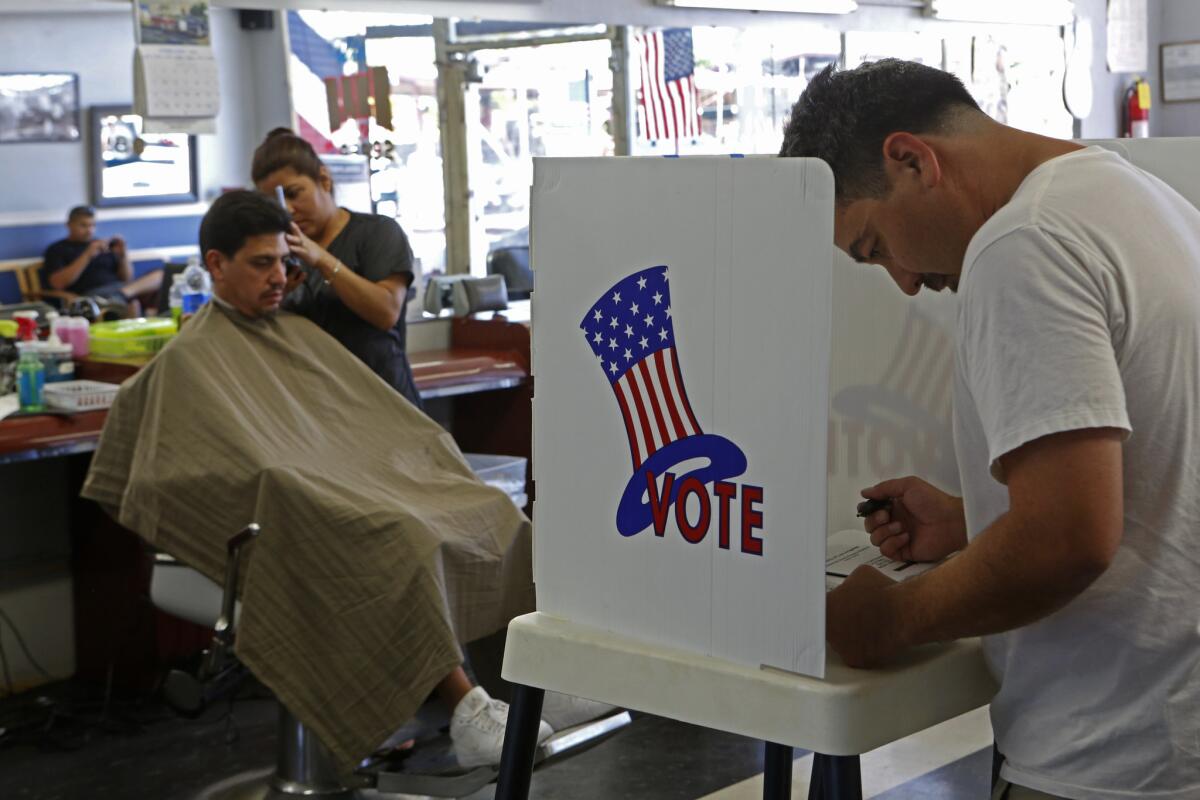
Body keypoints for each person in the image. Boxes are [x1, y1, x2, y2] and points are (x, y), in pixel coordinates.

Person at [780, 60, 1200, 800]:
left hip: (1109, 754)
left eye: (874, 246)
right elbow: (1162, 477)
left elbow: (1066, 540)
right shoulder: (1138, 197)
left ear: (911, 160)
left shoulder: (1023, 248)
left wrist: (894, 619)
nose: (904, 281)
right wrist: (978, 521)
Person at [83, 191, 609, 770]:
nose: (280, 277)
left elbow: (358, 425)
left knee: (493, 510)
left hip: (346, 490)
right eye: (261, 264)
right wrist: (294, 480)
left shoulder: (294, 334)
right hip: (279, 524)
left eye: (285, 262)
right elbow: (190, 471)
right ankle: (467, 711)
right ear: (215, 264)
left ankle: (538, 679)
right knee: (404, 542)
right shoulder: (188, 361)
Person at [251, 128, 421, 407]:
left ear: (324, 180)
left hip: (384, 406)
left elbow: (386, 311)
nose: (289, 210)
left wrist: (323, 260)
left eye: (295, 194)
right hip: (319, 410)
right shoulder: (282, 255)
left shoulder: (377, 233)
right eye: (278, 203)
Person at [41, 205, 162, 315]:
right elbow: (58, 284)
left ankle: (121, 295)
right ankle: (123, 298)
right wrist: (87, 255)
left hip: (121, 290)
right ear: (69, 225)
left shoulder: (104, 245)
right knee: (132, 303)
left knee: (160, 275)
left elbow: (127, 278)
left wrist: (123, 256)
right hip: (92, 296)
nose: (89, 230)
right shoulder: (57, 249)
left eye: (92, 225)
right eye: (83, 225)